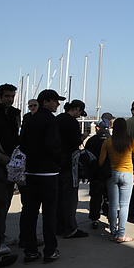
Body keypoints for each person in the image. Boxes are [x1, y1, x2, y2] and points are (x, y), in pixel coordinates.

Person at [19, 89, 66, 264]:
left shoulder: (30, 120)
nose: (57, 104)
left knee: (30, 211)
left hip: (31, 171)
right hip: (48, 172)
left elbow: (22, 144)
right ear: (46, 102)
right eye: (55, 101)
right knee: (49, 213)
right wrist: (59, 160)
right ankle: (50, 250)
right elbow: (52, 144)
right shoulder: (50, 121)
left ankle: (30, 250)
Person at [99, 118, 134, 243]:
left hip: (112, 174)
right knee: (124, 205)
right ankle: (121, 234)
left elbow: (101, 161)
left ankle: (113, 232)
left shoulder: (108, 142)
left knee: (113, 205)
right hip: (127, 174)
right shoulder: (131, 141)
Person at [55, 99, 89, 239]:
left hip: (56, 164)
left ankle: (58, 226)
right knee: (69, 198)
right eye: (79, 112)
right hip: (69, 163)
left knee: (58, 198)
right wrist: (83, 137)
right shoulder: (71, 122)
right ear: (76, 109)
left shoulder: (57, 120)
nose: (79, 116)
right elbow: (75, 141)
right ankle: (70, 228)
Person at [0, 84, 21, 252]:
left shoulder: (14, 114)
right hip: (0, 162)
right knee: (0, 201)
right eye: (6, 96)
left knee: (6, 201)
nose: (10, 99)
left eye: (12, 96)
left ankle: (1, 234)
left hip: (11, 164)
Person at [85, 114, 114, 228]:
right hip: (110, 172)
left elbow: (86, 157)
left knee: (96, 196)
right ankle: (109, 215)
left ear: (97, 128)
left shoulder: (92, 141)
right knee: (110, 197)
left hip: (95, 173)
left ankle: (94, 218)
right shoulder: (112, 140)